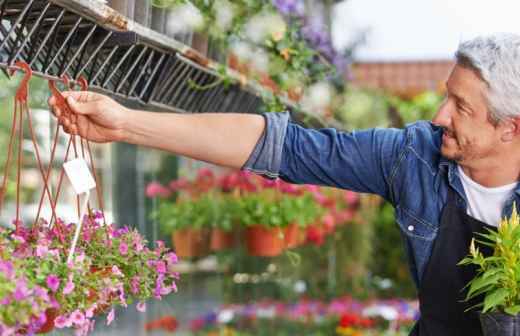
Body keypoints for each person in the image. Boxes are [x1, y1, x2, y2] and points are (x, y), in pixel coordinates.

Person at [49, 33, 520, 335]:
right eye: (446, 98)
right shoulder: (412, 157)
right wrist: (127, 124)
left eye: (461, 107)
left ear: (510, 128)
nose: (439, 116)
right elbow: (282, 146)